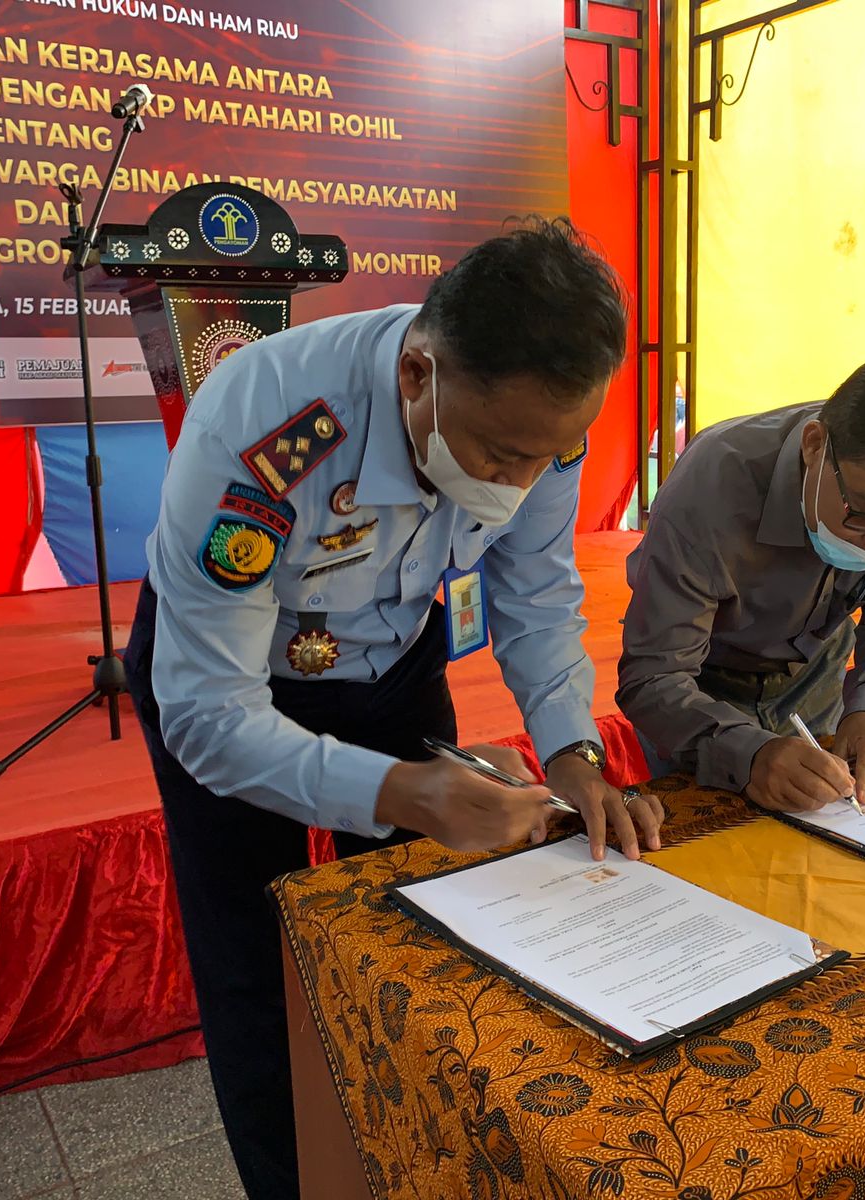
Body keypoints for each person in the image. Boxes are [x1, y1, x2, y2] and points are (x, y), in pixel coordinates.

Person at [122, 218, 664, 1200]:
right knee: (254, 963)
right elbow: (210, 715)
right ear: (417, 371)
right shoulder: (270, 423)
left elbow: (536, 598)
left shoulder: (539, 424)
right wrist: (406, 792)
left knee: (435, 935)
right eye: (501, 453)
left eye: (548, 457)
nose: (519, 482)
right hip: (239, 673)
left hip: (395, 660)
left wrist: (574, 751)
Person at [617, 350, 865, 812]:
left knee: (827, 827)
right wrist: (750, 755)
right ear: (814, 446)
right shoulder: (712, 485)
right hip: (700, 692)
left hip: (818, 674)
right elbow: (654, 675)